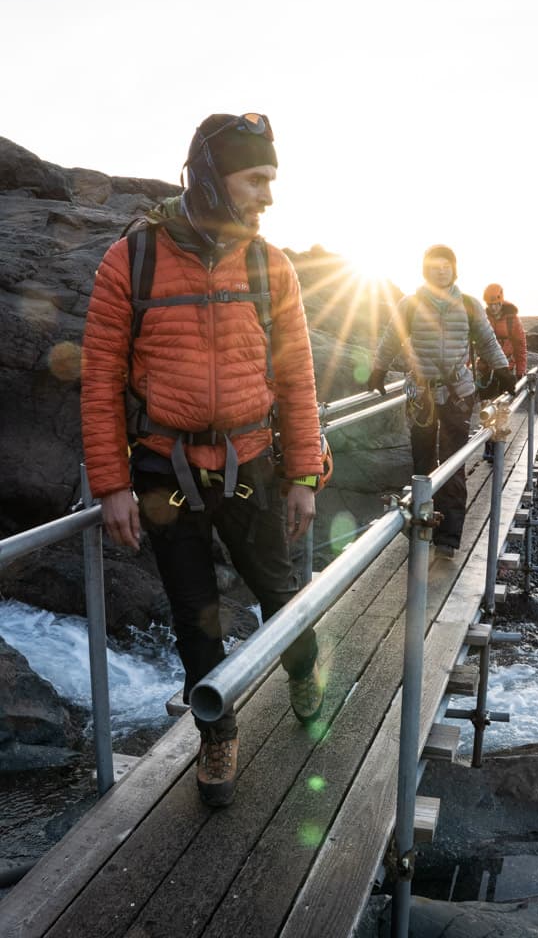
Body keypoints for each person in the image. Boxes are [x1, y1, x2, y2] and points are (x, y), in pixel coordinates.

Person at [81, 113, 325, 808]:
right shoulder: (131, 259)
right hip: (164, 469)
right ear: (214, 176)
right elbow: (99, 381)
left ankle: (302, 672)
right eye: (257, 179)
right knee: (194, 614)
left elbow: (297, 379)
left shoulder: (270, 264)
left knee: (280, 592)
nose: (269, 195)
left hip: (253, 462)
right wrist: (112, 485)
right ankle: (216, 734)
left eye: (272, 179)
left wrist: (304, 473)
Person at [366, 245, 515, 559]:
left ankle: (448, 537)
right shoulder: (410, 305)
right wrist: (378, 369)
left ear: (454, 269)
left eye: (446, 264)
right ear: (425, 269)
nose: (441, 269)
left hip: (457, 394)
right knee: (422, 463)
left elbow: (487, 341)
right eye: (435, 264)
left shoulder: (469, 306)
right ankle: (425, 528)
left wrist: (503, 370)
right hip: (422, 395)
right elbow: (391, 338)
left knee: (452, 463)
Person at [477, 283, 528, 461]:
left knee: (501, 406)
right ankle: (488, 443)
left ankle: (498, 443)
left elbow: (520, 346)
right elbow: (472, 343)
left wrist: (520, 371)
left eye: (495, 304)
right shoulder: (482, 318)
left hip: (505, 369)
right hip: (486, 368)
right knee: (486, 407)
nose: (493, 307)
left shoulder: (512, 320)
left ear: (501, 301)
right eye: (490, 304)